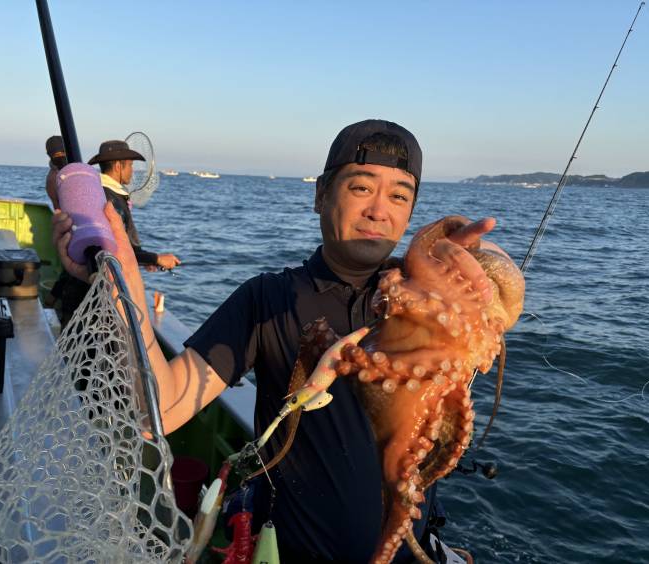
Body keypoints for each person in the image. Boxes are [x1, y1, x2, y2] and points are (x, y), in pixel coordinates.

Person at [53, 120, 508, 562]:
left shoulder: (428, 300)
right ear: (321, 194)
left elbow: (502, 294)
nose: (378, 210)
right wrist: (122, 287)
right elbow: (163, 407)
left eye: (399, 196)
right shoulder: (267, 299)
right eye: (360, 187)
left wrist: (479, 266)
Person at [88, 140, 180, 272]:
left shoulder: (99, 191)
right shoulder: (112, 200)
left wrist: (146, 259)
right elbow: (117, 251)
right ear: (118, 166)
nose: (132, 170)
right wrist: (157, 259)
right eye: (130, 165)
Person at [45, 135, 67, 209]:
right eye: (57, 154)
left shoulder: (50, 178)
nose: (60, 156)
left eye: (62, 153)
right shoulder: (52, 179)